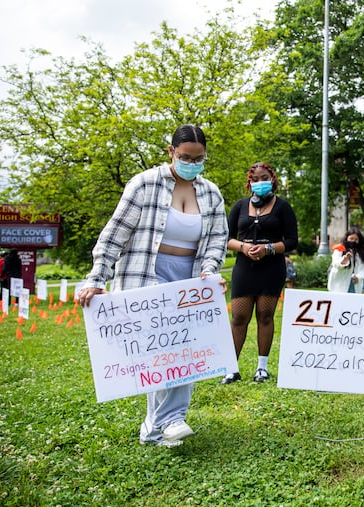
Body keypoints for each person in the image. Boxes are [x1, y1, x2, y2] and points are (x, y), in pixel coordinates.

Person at [78, 125, 228, 447]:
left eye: (199, 158)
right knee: (161, 352)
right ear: (171, 152)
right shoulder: (145, 183)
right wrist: (96, 277)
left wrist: (209, 272)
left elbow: (217, 239)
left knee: (184, 351)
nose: (192, 163)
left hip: (189, 280)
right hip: (145, 275)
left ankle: (157, 426)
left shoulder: (212, 193)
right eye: (185, 157)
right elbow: (115, 233)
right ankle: (170, 421)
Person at [220, 162, 298, 385]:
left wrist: (269, 249)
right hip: (245, 269)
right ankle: (231, 369)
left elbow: (292, 241)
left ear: (272, 179)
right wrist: (244, 247)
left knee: (265, 316)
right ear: (250, 182)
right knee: (238, 318)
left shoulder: (283, 207)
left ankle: (262, 368)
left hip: (271, 268)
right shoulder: (239, 206)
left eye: (264, 177)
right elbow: (226, 238)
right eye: (255, 179)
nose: (259, 182)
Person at [327, 228, 364, 293]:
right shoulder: (339, 249)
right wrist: (344, 260)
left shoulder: (361, 253)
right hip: (340, 283)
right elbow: (336, 264)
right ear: (347, 238)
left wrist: (358, 277)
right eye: (351, 238)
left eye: (356, 239)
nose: (353, 241)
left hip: (355, 283)